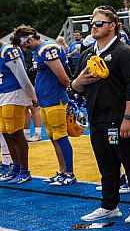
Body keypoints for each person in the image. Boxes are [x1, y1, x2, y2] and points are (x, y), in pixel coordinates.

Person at [72, 6, 130, 224]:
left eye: (99, 23)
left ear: (112, 26)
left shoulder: (125, 53)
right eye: (92, 24)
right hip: (97, 117)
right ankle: (109, 206)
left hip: (120, 117)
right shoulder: (88, 53)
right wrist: (80, 82)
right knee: (106, 165)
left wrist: (128, 118)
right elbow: (74, 85)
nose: (94, 27)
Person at [17, 27, 76, 186]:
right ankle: (62, 172)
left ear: (29, 39)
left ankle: (69, 173)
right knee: (53, 137)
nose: (24, 49)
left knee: (60, 136)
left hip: (54, 98)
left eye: (23, 45)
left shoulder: (47, 48)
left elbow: (62, 76)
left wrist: (65, 92)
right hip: (46, 99)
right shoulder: (40, 50)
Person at [0, 34, 36, 185]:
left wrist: (33, 96)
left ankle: (24, 170)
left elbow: (22, 77)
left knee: (16, 133)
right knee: (6, 132)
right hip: (3, 95)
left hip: (14, 94)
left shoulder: (8, 51)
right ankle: (15, 167)